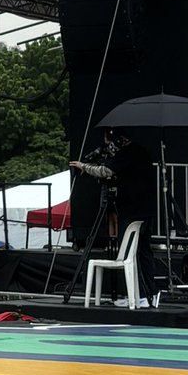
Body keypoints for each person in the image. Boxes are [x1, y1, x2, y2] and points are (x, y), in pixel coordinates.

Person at [71, 130, 157, 307]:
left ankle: (138, 295)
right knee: (144, 252)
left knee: (129, 254)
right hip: (146, 210)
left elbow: (105, 170)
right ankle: (149, 294)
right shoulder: (140, 151)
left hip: (132, 211)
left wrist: (84, 167)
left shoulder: (126, 154)